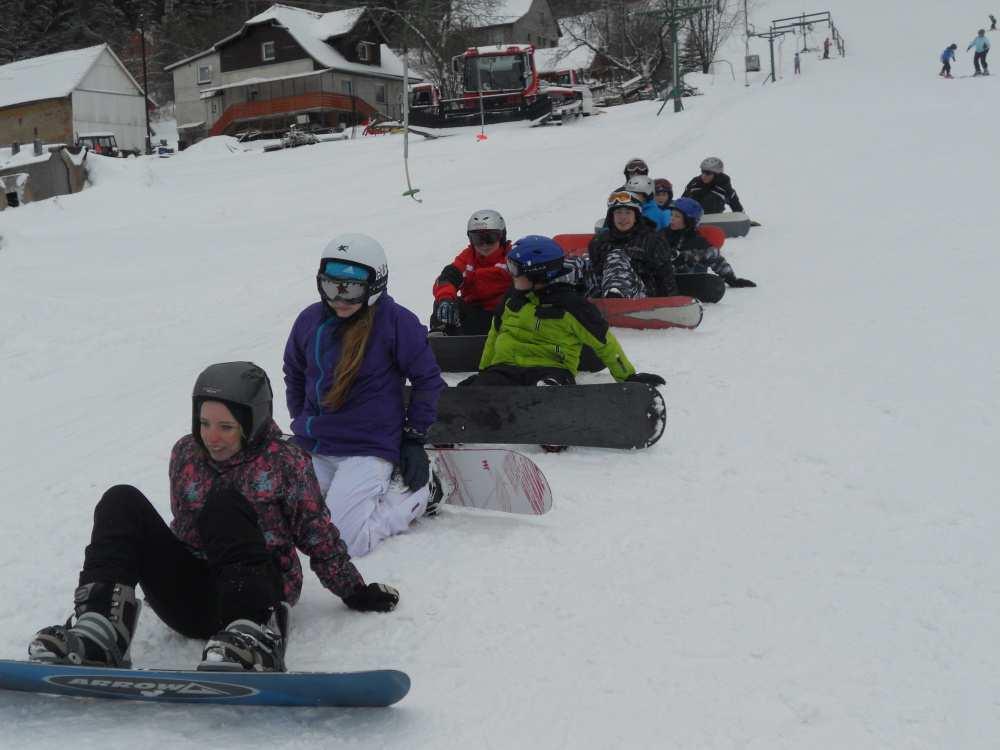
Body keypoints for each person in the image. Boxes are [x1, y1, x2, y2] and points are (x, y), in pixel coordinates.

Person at [28, 361, 399, 674]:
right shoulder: (186, 454)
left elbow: (316, 532)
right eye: (205, 423)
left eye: (226, 427)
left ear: (252, 422)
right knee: (120, 500)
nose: (212, 438)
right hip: (193, 598)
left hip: (258, 592)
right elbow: (181, 530)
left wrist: (354, 590)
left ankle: (254, 638)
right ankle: (100, 634)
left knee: (223, 504)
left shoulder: (286, 461)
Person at [284, 233, 446, 556]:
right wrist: (301, 420)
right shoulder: (309, 320)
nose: (340, 299)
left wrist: (413, 437)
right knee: (286, 523)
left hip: (367, 447)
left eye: (351, 289)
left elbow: (427, 379)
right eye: (331, 287)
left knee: (344, 542)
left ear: (374, 285)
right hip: (318, 445)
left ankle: (418, 493)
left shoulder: (396, 322)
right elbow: (295, 371)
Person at [467, 235, 664, 389]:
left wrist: (627, 376)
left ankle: (555, 416)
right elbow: (494, 334)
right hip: (506, 369)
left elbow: (604, 341)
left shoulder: (572, 306)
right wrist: (484, 372)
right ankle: (457, 422)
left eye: (515, 268)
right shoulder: (511, 298)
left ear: (538, 273)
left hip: (551, 369)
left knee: (550, 387)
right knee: (477, 389)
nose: (510, 274)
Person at [430, 209, 512, 336]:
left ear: (501, 237)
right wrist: (445, 299)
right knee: (444, 303)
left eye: (490, 238)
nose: (484, 244)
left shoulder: (511, 257)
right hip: (474, 316)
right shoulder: (469, 257)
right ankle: (442, 341)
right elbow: (448, 277)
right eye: (478, 239)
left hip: (504, 317)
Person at [588, 190, 677, 299]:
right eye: (618, 212)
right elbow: (594, 272)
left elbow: (665, 277)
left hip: (643, 297)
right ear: (612, 216)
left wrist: (670, 304)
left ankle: (615, 298)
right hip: (601, 293)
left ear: (636, 217)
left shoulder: (652, 240)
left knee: (617, 257)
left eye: (628, 213)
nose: (623, 217)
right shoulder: (600, 241)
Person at [663, 198, 756, 289]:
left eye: (677, 216)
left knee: (692, 256)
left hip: (688, 278)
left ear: (689, 220)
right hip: (664, 277)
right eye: (671, 215)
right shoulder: (663, 235)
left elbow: (717, 261)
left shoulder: (698, 242)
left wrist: (732, 280)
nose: (672, 219)